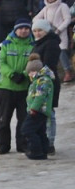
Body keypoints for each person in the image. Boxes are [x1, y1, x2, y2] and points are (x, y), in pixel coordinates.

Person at [0, 19, 34, 154]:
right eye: (21, 28)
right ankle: (3, 145)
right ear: (15, 30)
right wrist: (12, 74)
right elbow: (0, 61)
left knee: (23, 118)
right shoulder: (5, 44)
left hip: (24, 87)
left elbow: (34, 62)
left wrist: (24, 74)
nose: (23, 31)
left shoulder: (32, 46)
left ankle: (22, 144)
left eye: (26, 28)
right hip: (6, 87)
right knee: (4, 118)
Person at [30, 19, 61, 153]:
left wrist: (36, 74)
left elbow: (49, 64)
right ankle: (43, 141)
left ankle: (49, 143)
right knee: (41, 113)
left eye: (40, 30)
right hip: (38, 82)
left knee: (49, 113)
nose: (37, 33)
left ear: (46, 31)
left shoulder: (51, 44)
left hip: (48, 83)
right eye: (35, 31)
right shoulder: (39, 43)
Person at [23, 56, 55, 159]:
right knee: (40, 131)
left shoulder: (43, 80)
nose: (29, 75)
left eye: (30, 72)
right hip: (38, 111)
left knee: (27, 130)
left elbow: (40, 96)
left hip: (38, 111)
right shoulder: (39, 80)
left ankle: (36, 151)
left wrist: (33, 108)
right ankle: (43, 151)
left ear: (35, 71)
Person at [36, 0, 72, 79]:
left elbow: (67, 19)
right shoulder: (46, 8)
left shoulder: (62, 6)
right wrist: (42, 25)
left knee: (62, 51)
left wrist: (59, 29)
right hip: (49, 34)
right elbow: (36, 18)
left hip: (61, 32)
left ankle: (68, 71)